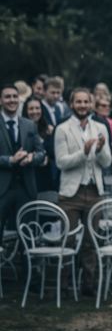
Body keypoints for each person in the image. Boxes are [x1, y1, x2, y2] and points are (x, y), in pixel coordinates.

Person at [55, 87, 112, 296]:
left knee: (91, 240)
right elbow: (61, 162)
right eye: (78, 102)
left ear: (91, 104)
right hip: (71, 193)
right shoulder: (62, 129)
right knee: (67, 240)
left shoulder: (100, 128)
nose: (82, 106)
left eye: (86, 102)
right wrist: (84, 152)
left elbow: (107, 162)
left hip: (94, 190)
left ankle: (88, 285)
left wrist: (98, 150)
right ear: (72, 104)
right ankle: (64, 285)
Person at [0, 85, 45, 237]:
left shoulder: (29, 124)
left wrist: (33, 158)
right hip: (2, 189)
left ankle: (26, 261)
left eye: (14, 96)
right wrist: (10, 160)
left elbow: (41, 153)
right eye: (7, 97)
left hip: (26, 188)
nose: (12, 100)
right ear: (1, 100)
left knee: (27, 235)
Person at [22, 97, 57, 193]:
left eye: (37, 108)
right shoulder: (21, 130)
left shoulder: (49, 129)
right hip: (30, 177)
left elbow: (55, 153)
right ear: (26, 111)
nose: (35, 111)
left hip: (48, 178)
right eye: (31, 109)